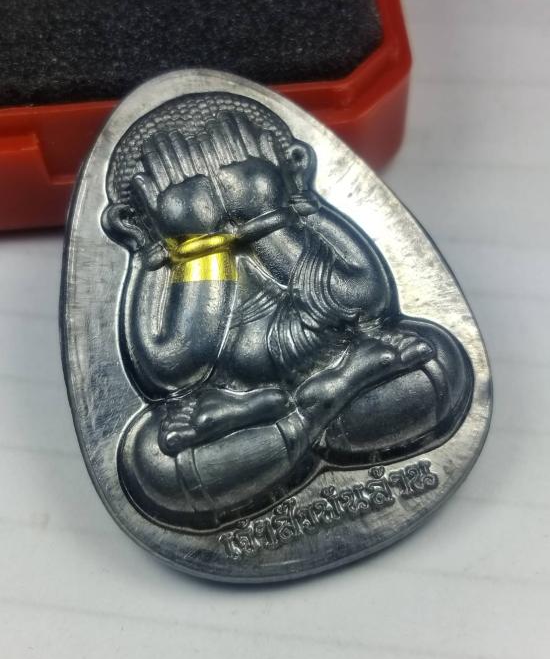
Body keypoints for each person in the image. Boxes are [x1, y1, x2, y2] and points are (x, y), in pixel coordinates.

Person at [103, 106, 473, 530]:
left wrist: (270, 221)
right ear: (133, 222)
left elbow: (363, 298)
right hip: (261, 392)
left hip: (322, 362)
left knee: (439, 358)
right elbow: (173, 365)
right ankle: (322, 397)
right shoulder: (168, 258)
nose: (225, 206)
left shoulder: (288, 212)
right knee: (154, 461)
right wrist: (200, 245)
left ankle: (296, 413)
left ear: (292, 168)